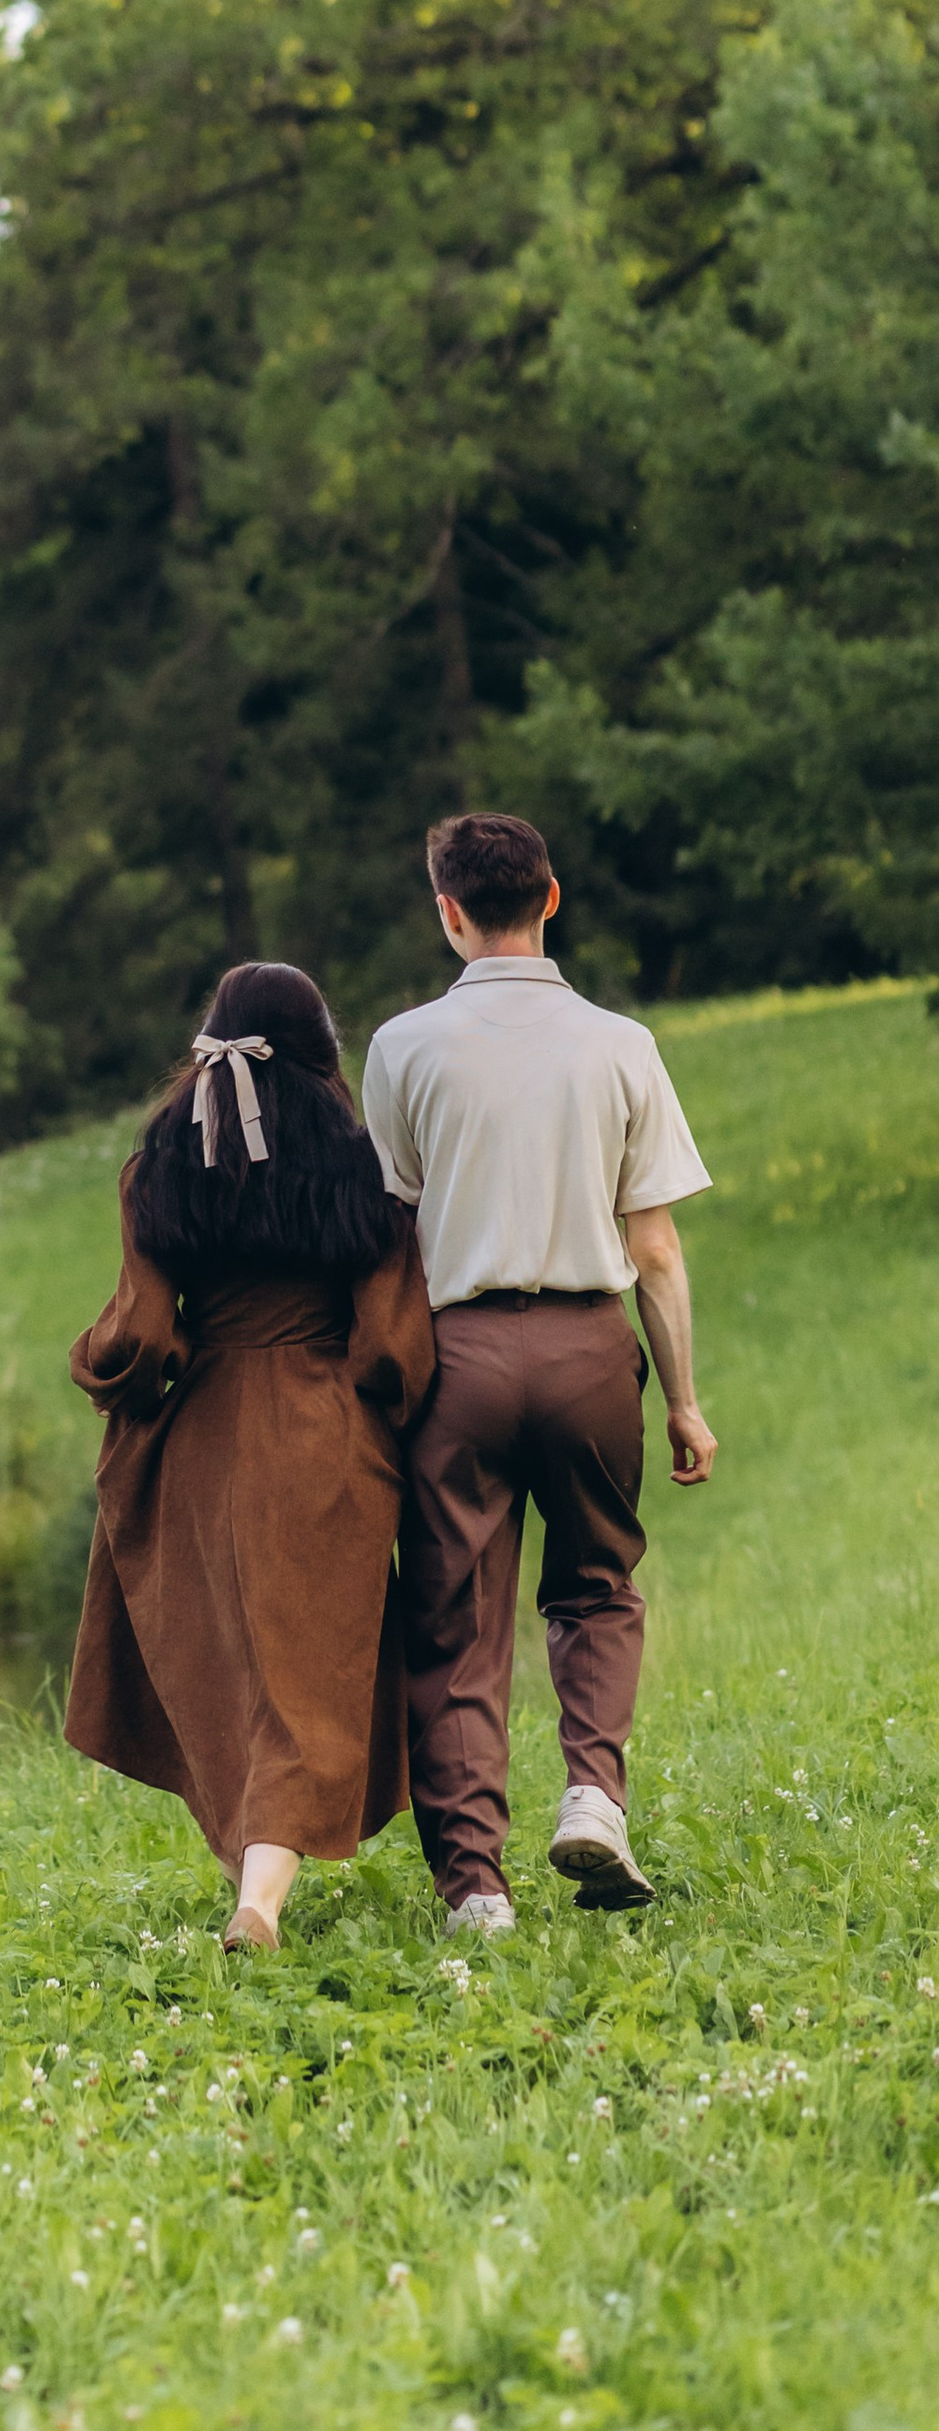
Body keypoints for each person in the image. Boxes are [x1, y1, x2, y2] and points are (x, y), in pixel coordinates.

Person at [361, 812, 717, 1938]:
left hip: (453, 1362)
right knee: (597, 1586)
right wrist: (687, 1401)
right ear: (552, 898)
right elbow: (653, 1247)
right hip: (587, 1354)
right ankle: (593, 1799)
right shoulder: (621, 1044)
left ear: (447, 911)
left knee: (454, 1620)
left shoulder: (402, 1047)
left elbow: (391, 1235)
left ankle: (474, 1887)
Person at [66, 960, 437, 1951]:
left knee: (222, 1657)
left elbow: (142, 1334)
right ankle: (258, 1901)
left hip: (198, 1434)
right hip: (321, 1429)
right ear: (321, 1050)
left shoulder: (158, 1167)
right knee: (308, 1670)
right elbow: (393, 1342)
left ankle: (251, 1887)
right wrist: (372, 1409)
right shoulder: (363, 1167)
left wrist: (100, 1365)